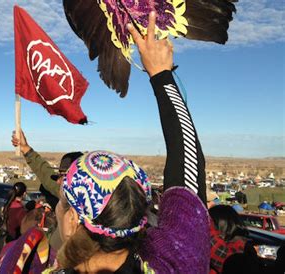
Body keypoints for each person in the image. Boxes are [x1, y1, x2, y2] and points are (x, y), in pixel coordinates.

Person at [53, 12, 209, 273]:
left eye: (61, 201)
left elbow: (189, 161)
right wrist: (161, 74)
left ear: (72, 220)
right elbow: (189, 164)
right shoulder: (173, 261)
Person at [209, 205, 260, 274]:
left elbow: (220, 257)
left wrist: (207, 227)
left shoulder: (239, 247)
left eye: (212, 223)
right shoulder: (240, 243)